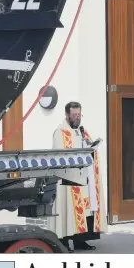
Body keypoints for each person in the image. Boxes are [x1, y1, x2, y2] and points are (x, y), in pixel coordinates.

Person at [48, 101, 107, 250]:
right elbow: (58, 158)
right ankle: (64, 241)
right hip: (69, 180)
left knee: (86, 209)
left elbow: (88, 150)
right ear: (67, 115)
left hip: (84, 178)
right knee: (67, 211)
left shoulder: (83, 131)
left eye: (79, 115)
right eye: (74, 115)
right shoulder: (60, 133)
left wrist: (90, 146)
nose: (77, 118)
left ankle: (81, 240)